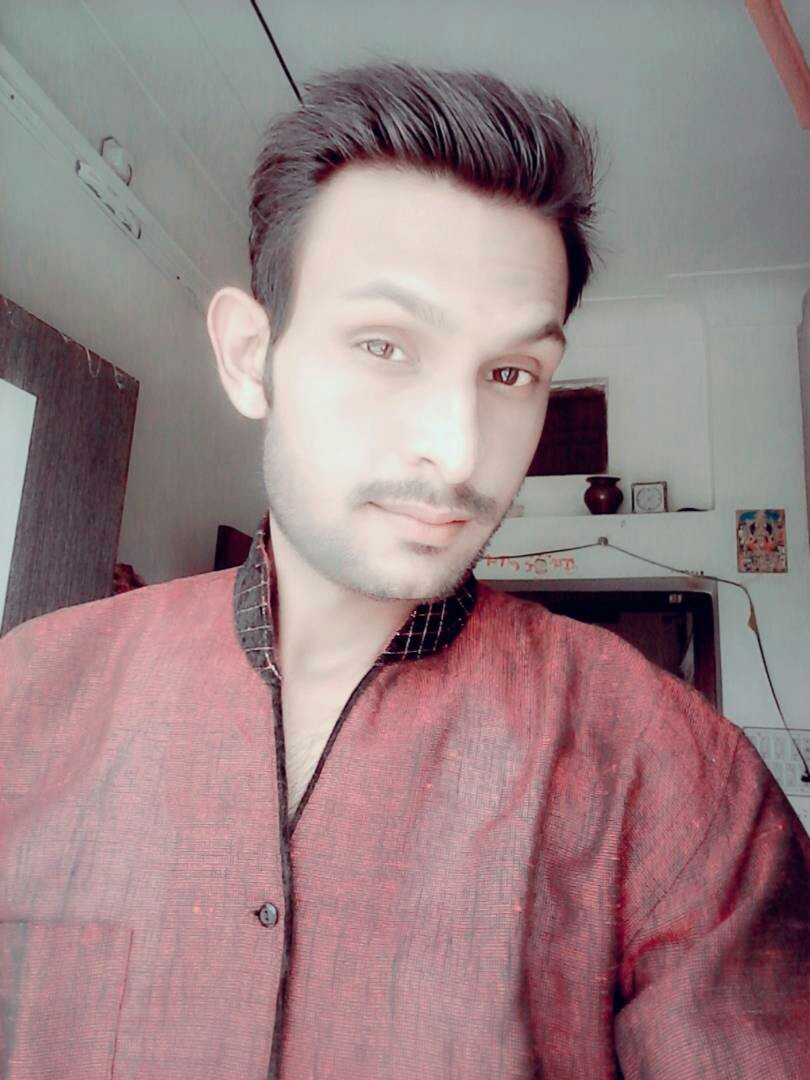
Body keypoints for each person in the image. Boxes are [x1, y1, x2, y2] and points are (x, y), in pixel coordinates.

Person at [1, 62, 807, 1080]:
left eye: (510, 372)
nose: (459, 450)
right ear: (250, 357)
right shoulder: (26, 699)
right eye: (385, 346)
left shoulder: (678, 781)